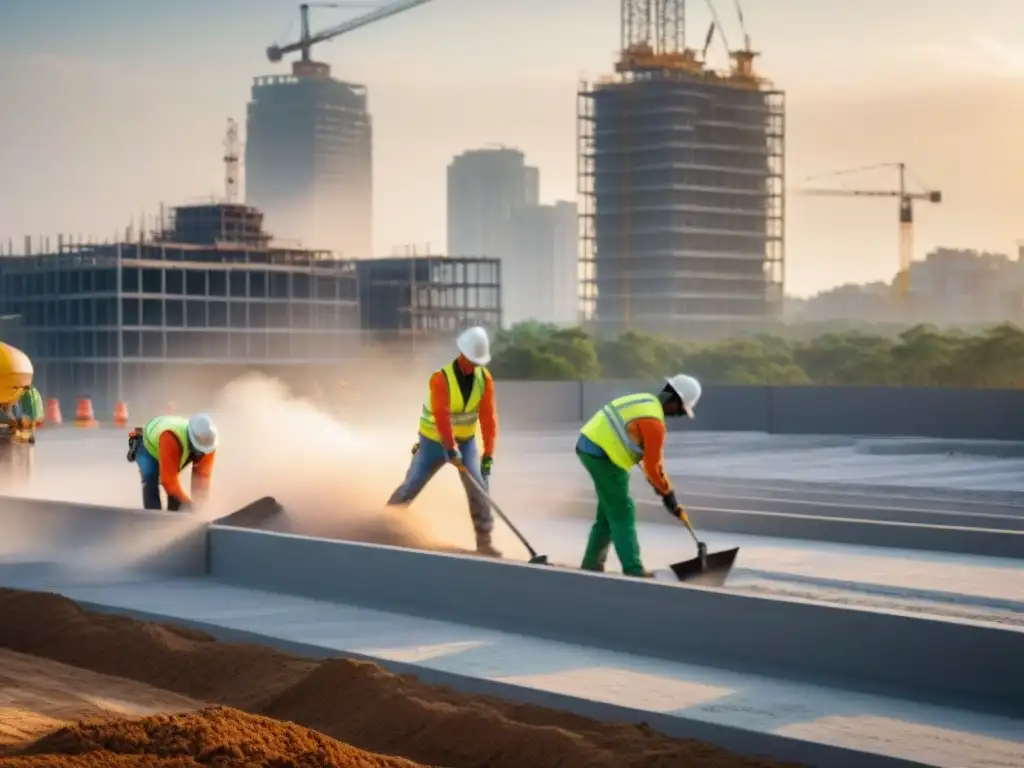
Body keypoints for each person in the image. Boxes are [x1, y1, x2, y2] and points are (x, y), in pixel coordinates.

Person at [387, 326, 501, 556]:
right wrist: (450, 448)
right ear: (463, 354)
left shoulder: (484, 379)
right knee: (412, 485)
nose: (475, 365)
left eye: (479, 361)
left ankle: (484, 542)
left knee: (479, 488)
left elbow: (488, 419)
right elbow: (441, 415)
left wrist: (488, 454)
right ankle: (383, 527)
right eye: (472, 360)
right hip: (433, 442)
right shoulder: (441, 379)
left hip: (466, 442)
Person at [575, 374, 703, 577]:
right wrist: (668, 493)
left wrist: (661, 487)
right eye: (681, 410)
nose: (678, 415)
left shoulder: (645, 401)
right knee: (623, 510)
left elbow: (645, 457)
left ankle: (591, 564)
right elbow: (653, 467)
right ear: (674, 402)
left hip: (590, 445)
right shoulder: (654, 423)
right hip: (603, 455)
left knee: (609, 512)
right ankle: (633, 569)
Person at [128, 413, 219, 511]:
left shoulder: (208, 445)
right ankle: (153, 518)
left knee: (176, 493)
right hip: (147, 444)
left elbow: (202, 477)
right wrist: (188, 505)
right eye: (199, 449)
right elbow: (168, 481)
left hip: (171, 443)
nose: (201, 453)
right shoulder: (171, 439)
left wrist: (200, 508)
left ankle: (174, 515)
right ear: (191, 439)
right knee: (150, 478)